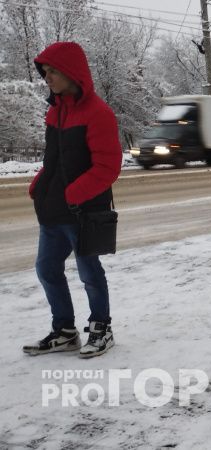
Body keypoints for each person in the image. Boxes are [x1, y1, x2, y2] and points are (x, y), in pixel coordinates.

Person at [22, 42, 122, 358]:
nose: (47, 78)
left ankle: (101, 328)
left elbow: (108, 166)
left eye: (53, 71)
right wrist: (40, 185)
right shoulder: (55, 113)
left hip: (83, 210)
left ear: (71, 73)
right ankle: (65, 331)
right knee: (47, 269)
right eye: (45, 72)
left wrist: (73, 194)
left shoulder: (98, 113)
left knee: (89, 272)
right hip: (52, 210)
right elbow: (53, 160)